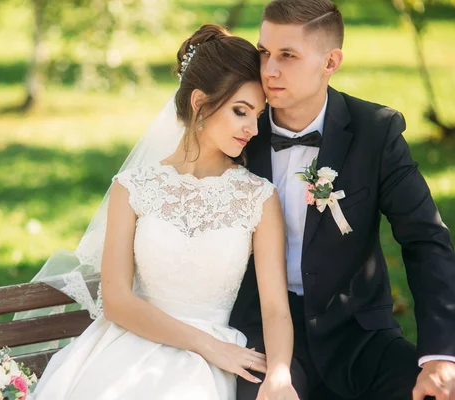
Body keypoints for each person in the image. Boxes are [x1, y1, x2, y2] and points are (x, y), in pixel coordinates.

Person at [26, 24, 299, 400]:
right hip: (125, 346)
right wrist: (207, 345)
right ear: (200, 102)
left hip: (205, 368)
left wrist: (280, 375)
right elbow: (117, 300)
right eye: (240, 112)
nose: (253, 128)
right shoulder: (131, 188)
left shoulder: (258, 197)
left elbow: (275, 308)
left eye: (257, 114)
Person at [230, 1, 455, 399]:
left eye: (287, 55)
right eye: (264, 52)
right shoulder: (236, 128)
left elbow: (425, 239)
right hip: (260, 333)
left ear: (330, 61)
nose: (269, 70)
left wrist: (440, 356)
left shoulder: (376, 132)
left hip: (358, 335)